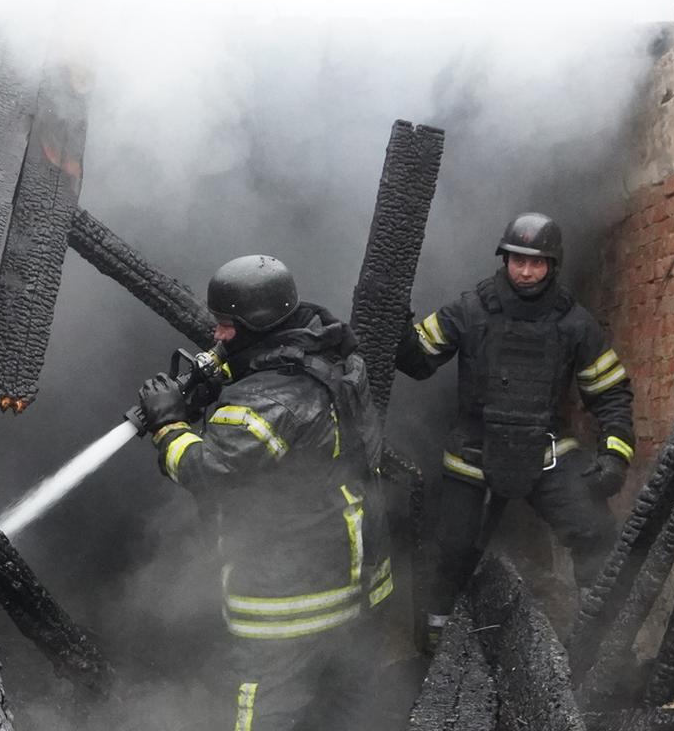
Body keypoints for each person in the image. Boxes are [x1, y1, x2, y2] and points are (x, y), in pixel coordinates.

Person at [137, 254, 392, 731]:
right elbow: (292, 405)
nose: (219, 335)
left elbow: (210, 471)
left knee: (264, 708)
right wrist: (226, 376)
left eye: (228, 327)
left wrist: (169, 425)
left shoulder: (262, 404)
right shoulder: (335, 358)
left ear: (257, 322)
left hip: (288, 596)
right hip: (359, 574)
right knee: (344, 705)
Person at [395, 212, 635, 649]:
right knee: (452, 552)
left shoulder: (575, 324)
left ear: (552, 265)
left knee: (595, 532)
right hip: (474, 450)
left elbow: (612, 392)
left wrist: (615, 454)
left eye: (537, 262)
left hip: (545, 450)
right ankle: (434, 643)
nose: (526, 271)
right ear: (505, 259)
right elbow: (415, 363)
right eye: (518, 260)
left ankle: (601, 643)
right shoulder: (469, 310)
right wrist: (393, 316)